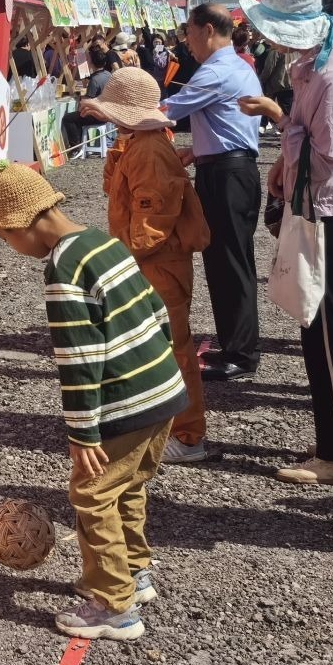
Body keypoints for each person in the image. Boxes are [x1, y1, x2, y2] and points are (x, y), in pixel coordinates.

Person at [0, 162, 186, 642]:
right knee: (129, 486)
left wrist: (81, 431)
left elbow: (79, 358)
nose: (13, 249)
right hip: (163, 391)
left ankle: (114, 604)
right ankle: (134, 572)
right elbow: (157, 310)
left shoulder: (62, 268)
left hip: (124, 402)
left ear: (23, 226)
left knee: (92, 494)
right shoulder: (102, 242)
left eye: (7, 238)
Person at [236, 0, 333, 484]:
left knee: (327, 332)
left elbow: (330, 156)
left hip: (331, 211)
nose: (271, 42)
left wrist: (284, 125)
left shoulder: (332, 75)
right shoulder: (321, 66)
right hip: (332, 206)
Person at [82, 68, 215, 463]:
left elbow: (153, 216)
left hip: (157, 264)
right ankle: (165, 426)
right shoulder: (139, 144)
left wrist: (123, 256)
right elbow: (121, 192)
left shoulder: (149, 150)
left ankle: (189, 435)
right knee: (154, 345)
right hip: (152, 262)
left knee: (172, 348)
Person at [162, 3, 264, 387]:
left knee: (230, 262)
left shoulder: (218, 71)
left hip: (226, 174)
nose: (186, 42)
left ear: (206, 30)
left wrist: (113, 111)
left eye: (188, 32)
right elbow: (223, 123)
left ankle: (240, 353)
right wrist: (198, 150)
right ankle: (236, 345)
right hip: (227, 167)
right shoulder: (237, 65)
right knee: (227, 260)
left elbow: (169, 109)